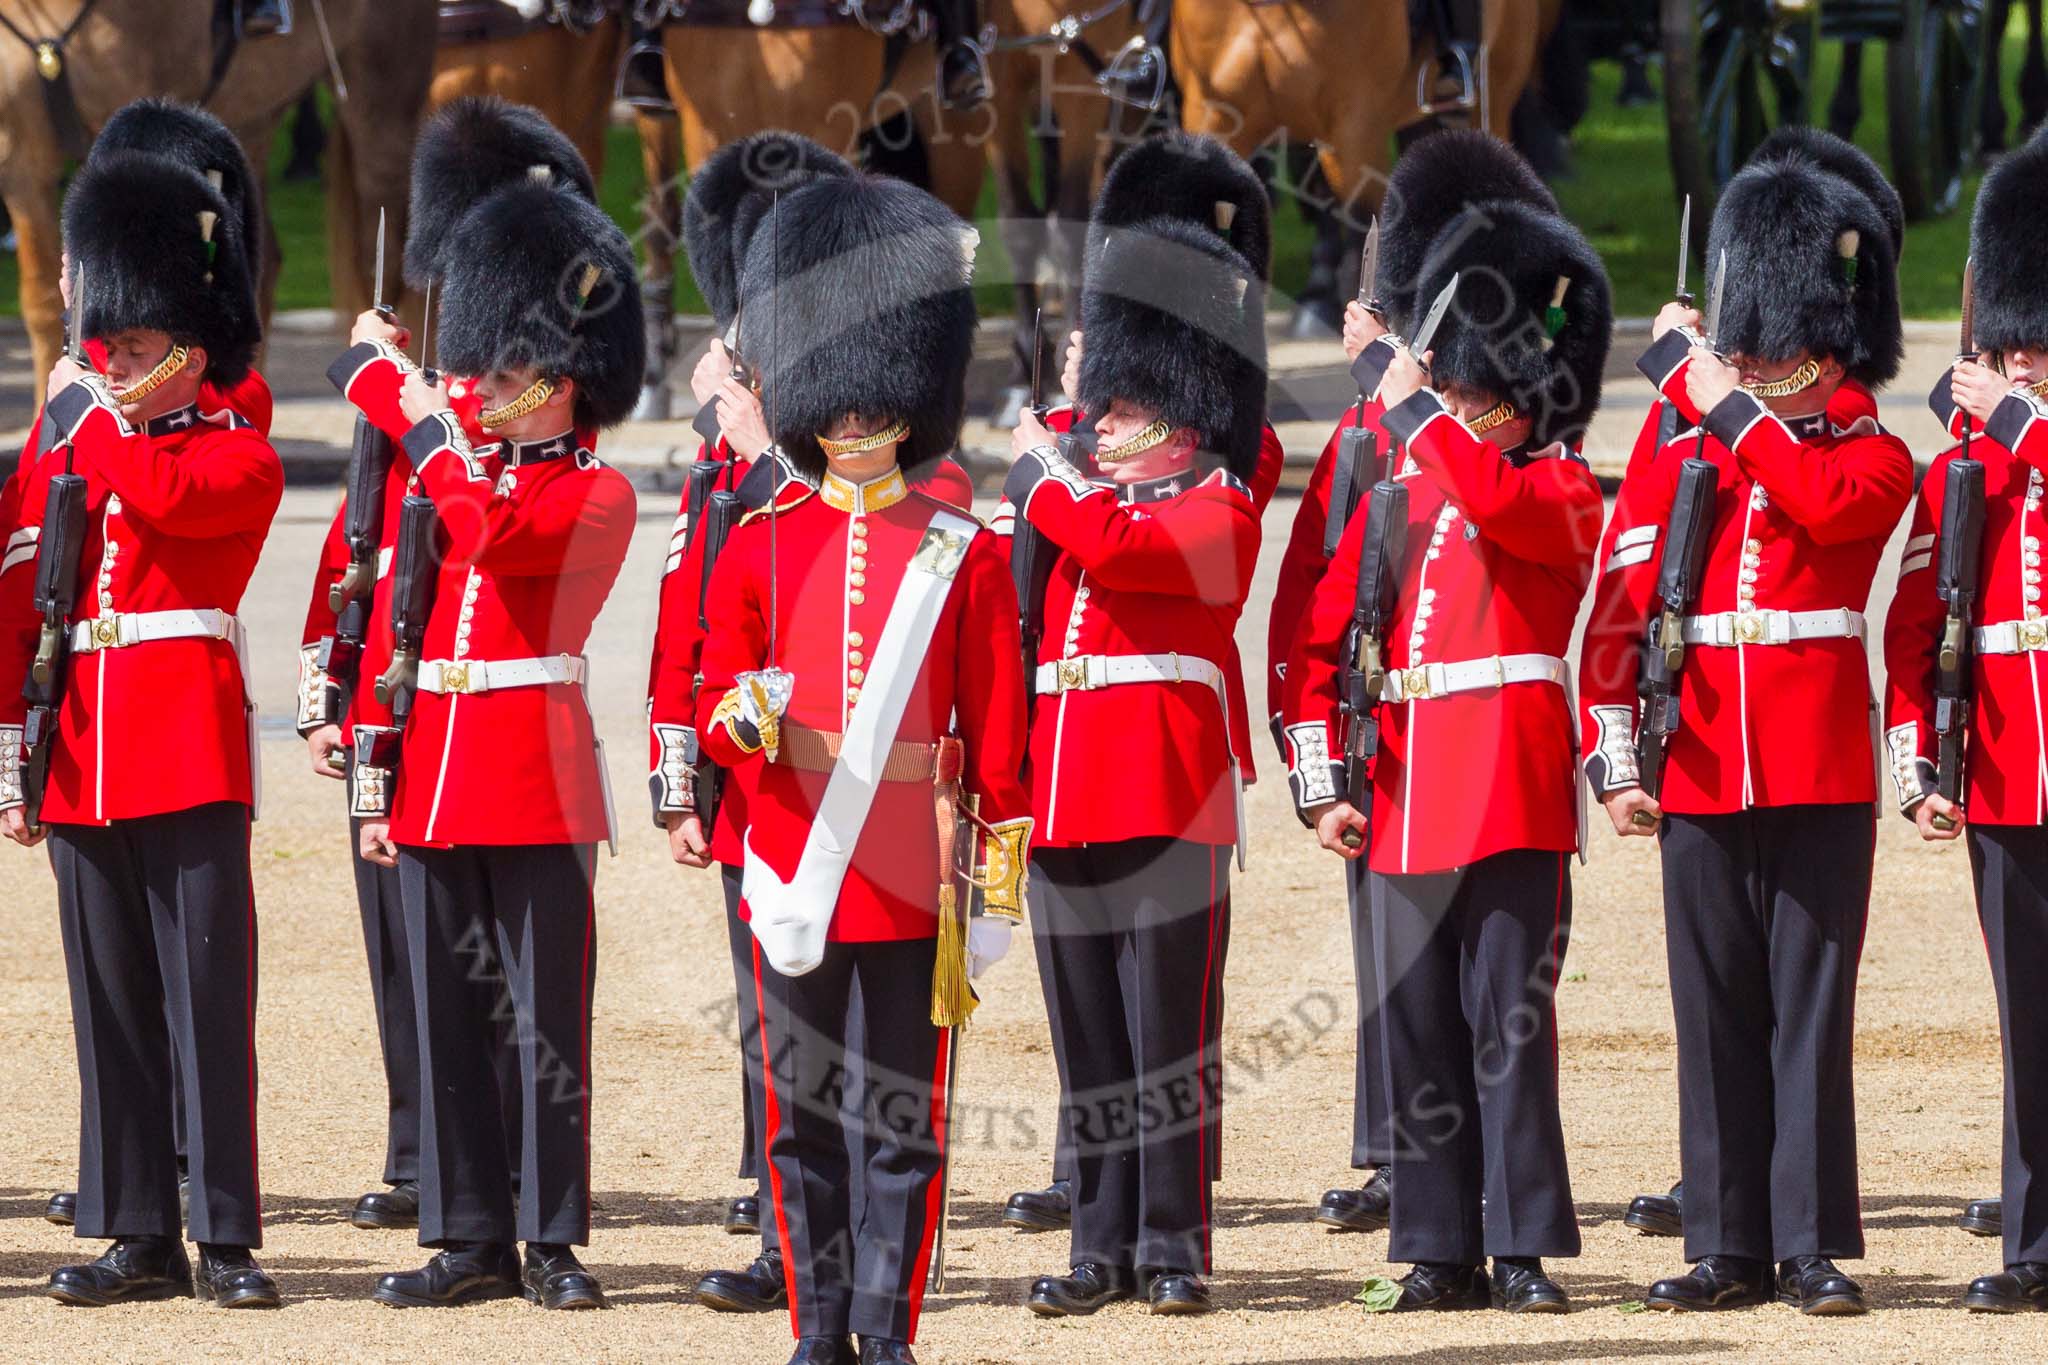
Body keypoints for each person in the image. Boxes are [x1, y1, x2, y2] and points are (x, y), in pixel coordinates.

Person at [695, 170, 1030, 1365]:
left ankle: (883, 1332)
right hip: (790, 851)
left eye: (874, 395)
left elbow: (999, 741)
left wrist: (989, 892)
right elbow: (712, 698)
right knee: (798, 1123)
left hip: (903, 866)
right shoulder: (762, 540)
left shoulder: (963, 556)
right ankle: (816, 1324)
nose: (850, 419)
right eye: (831, 398)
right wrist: (739, 720)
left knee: (899, 1119)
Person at [1580, 129, 1912, 1315]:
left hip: (1818, 761)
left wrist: (1713, 398)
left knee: (1808, 1011)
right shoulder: (1679, 443)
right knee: (1711, 1003)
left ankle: (1811, 1242)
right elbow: (1617, 610)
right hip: (1703, 754)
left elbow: (1820, 506)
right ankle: (1724, 1243)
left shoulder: (1872, 450)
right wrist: (1615, 753)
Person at [1283, 133, 1608, 1314]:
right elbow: (1326, 628)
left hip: (1508, 785)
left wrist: (1417, 409)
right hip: (1401, 782)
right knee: (1414, 1030)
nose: (1460, 405)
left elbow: (1498, 507)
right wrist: (1322, 775)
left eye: (1479, 391)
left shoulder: (1557, 486)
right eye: (1455, 386)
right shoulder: (1403, 477)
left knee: (1506, 1030)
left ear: (1519, 399)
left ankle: (1519, 1245)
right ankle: (1433, 1245)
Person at [347, 143, 641, 1311]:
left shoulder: (593, 492)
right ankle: (467, 1234)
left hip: (535, 773)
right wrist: (378, 766)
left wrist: (418, 419)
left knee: (541, 1022)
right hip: (433, 775)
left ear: (563, 379)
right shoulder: (453, 471)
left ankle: (552, 1236)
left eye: (509, 366)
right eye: (481, 365)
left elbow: (494, 546)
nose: (483, 382)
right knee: (450, 1015)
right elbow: (394, 626)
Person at [299, 97, 593, 1233]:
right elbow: (358, 539)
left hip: (487, 705)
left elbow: (478, 509)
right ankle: (422, 1145)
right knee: (401, 940)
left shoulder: (523, 396)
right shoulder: (429, 385)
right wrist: (330, 684)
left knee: (503, 963)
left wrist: (393, 389)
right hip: (394, 695)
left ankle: (506, 1167)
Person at [0, 142, 282, 1307]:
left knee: (206, 999)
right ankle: (136, 1233)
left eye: (134, 345)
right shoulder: (74, 450)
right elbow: (24, 589)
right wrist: (16, 752)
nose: (110, 359)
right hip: (79, 750)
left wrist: (83, 418)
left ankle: (224, 1237)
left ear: (192, 356)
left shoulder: (236, 455)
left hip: (185, 742)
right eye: (105, 341)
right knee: (110, 1004)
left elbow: (164, 502)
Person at [1001, 132, 1265, 1320]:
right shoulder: (1079, 497)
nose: (1097, 427)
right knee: (1091, 1047)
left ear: (1174, 413)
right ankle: (1096, 1247)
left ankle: (1173, 1247)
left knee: (1166, 1048)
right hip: (1063, 800)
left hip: (1168, 802)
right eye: (1095, 412)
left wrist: (1048, 479)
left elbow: (1121, 547)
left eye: (1118, 411)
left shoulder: (1216, 506)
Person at [1884, 123, 2048, 1313]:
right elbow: (1913, 629)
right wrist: (1921, 764)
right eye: (2006, 351)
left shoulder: (2014, 440)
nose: (2016, 367)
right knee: (2027, 1023)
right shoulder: (1967, 469)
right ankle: (2033, 1246)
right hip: (1999, 775)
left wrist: (2013, 421)